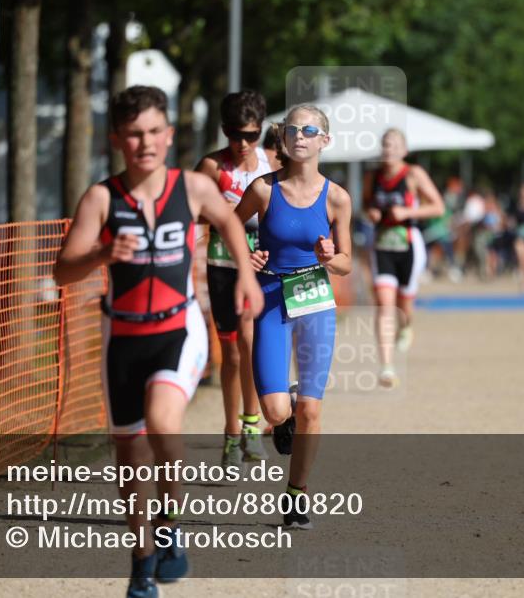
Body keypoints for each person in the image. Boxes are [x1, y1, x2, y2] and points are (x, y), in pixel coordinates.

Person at [54, 86, 263, 598]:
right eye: (133, 134)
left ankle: (169, 523)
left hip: (177, 327)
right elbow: (62, 270)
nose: (145, 142)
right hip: (122, 336)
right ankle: (142, 560)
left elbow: (230, 227)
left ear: (168, 136)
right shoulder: (102, 198)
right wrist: (103, 255)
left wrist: (246, 277)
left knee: (165, 427)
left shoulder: (191, 187)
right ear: (118, 140)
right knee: (129, 456)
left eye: (153, 132)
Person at [234, 103, 353, 530]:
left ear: (325, 140)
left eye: (309, 130)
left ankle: (297, 495)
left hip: (315, 302)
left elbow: (346, 265)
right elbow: (228, 229)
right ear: (283, 139)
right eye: (291, 130)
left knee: (311, 410)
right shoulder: (263, 189)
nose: (299, 136)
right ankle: (284, 410)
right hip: (270, 298)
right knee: (273, 412)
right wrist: (245, 255)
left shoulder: (337, 197)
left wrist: (330, 257)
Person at [194, 90, 273, 468]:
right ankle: (231, 434)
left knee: (250, 340)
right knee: (232, 354)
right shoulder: (211, 167)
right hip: (221, 265)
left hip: (259, 267)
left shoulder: (271, 164)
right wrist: (218, 213)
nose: (242, 144)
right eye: (233, 134)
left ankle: (252, 426)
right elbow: (187, 212)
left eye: (251, 135)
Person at [364, 128, 444, 386]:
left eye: (395, 146)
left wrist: (408, 212)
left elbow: (438, 206)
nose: (389, 150)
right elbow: (365, 204)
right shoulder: (372, 176)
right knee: (385, 304)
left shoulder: (413, 175)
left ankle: (407, 326)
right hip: (382, 246)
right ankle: (387, 367)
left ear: (404, 151)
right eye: (386, 145)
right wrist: (372, 213)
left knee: (404, 305)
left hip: (409, 246)